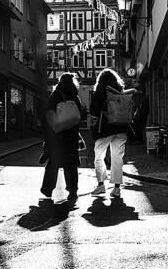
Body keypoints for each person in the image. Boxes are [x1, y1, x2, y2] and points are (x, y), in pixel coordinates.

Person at [41, 73, 84, 202]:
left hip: (58, 137)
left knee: (53, 163)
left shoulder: (56, 95)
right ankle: (72, 191)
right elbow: (79, 115)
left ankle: (48, 189)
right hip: (71, 137)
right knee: (71, 165)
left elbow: (48, 113)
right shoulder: (75, 97)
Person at [89, 68, 130, 197]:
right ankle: (117, 188)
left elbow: (94, 111)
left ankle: (101, 185)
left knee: (99, 157)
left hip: (105, 129)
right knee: (117, 158)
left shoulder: (99, 92)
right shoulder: (121, 92)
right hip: (121, 128)